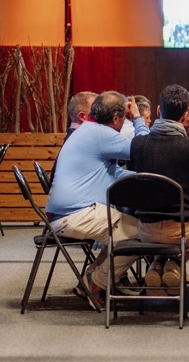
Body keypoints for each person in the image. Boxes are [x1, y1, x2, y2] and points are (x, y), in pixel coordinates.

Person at [45, 91, 149, 298]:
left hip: (67, 213)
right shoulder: (101, 134)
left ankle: (92, 280)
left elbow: (113, 172)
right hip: (74, 215)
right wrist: (138, 118)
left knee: (125, 234)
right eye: (125, 118)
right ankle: (96, 283)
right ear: (116, 118)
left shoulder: (89, 130)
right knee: (145, 234)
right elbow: (146, 149)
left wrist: (145, 177)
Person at [129, 84, 189, 293]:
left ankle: (157, 265)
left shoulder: (137, 144)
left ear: (158, 110)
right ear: (183, 115)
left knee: (165, 237)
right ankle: (175, 265)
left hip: (145, 229)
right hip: (180, 230)